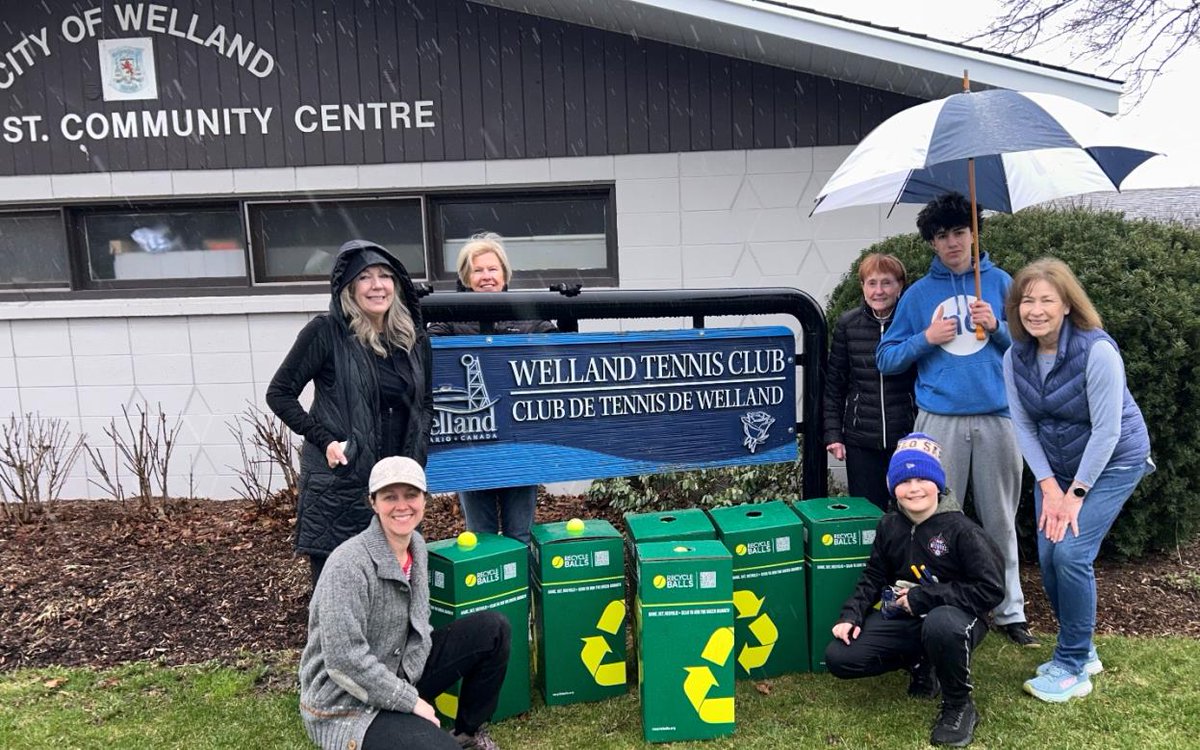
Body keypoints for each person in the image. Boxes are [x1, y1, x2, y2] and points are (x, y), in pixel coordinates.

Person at [876, 192, 1035, 647]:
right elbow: (887, 358)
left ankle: (1010, 610)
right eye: (941, 235)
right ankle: (946, 605)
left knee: (1001, 518)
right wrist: (926, 337)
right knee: (939, 521)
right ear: (931, 242)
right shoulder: (920, 294)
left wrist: (999, 328)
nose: (952, 242)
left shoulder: (1002, 283)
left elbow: (1029, 354)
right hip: (939, 420)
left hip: (997, 418)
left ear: (974, 232)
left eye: (959, 231)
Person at [1002, 258, 1153, 703]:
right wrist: (1050, 488)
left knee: (1069, 553)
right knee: (1048, 558)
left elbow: (1107, 431)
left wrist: (1075, 496)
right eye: (1027, 300)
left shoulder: (1097, 351)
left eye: (1047, 299)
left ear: (1068, 305)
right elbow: (1024, 426)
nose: (1036, 309)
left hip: (1113, 462)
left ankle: (1072, 665)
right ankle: (1082, 649)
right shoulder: (1015, 355)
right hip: (1056, 469)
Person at [299, 456, 510, 750]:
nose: (402, 506)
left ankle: (467, 733)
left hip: (400, 670)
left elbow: (420, 624)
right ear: (373, 502)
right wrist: (410, 701)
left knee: (493, 628)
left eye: (411, 495)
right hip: (347, 701)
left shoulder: (417, 547)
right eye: (390, 497)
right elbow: (344, 660)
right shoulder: (347, 565)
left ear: (425, 500)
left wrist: (412, 686)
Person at [267, 240, 434, 585]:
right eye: (365, 277)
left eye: (385, 276)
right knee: (339, 591)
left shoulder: (414, 339)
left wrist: (416, 458)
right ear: (348, 287)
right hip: (341, 483)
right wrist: (325, 440)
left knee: (391, 591)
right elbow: (279, 394)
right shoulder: (326, 333)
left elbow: (424, 405)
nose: (377, 285)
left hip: (395, 484)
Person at [826, 433, 1004, 748]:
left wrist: (925, 597)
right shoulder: (889, 525)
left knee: (941, 625)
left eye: (923, 478)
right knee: (841, 657)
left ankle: (959, 705)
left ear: (938, 483)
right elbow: (874, 574)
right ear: (893, 487)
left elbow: (990, 590)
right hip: (907, 614)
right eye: (905, 480)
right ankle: (923, 663)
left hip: (959, 617)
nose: (914, 488)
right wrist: (851, 614)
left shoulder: (963, 531)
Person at [428, 233, 555, 545]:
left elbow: (559, 347)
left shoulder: (527, 316)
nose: (486, 276)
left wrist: (565, 307)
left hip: (521, 444)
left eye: (492, 269)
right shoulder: (450, 319)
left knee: (520, 534)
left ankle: (523, 592)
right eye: (478, 270)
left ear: (505, 275)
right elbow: (422, 344)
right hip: (471, 445)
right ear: (466, 278)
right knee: (481, 536)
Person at [824, 252, 917, 511]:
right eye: (872, 283)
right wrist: (833, 434)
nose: (879, 291)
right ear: (862, 287)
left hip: (906, 437)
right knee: (868, 514)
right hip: (861, 440)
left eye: (886, 282)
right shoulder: (848, 324)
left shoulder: (913, 323)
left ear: (900, 286)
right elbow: (834, 385)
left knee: (909, 510)